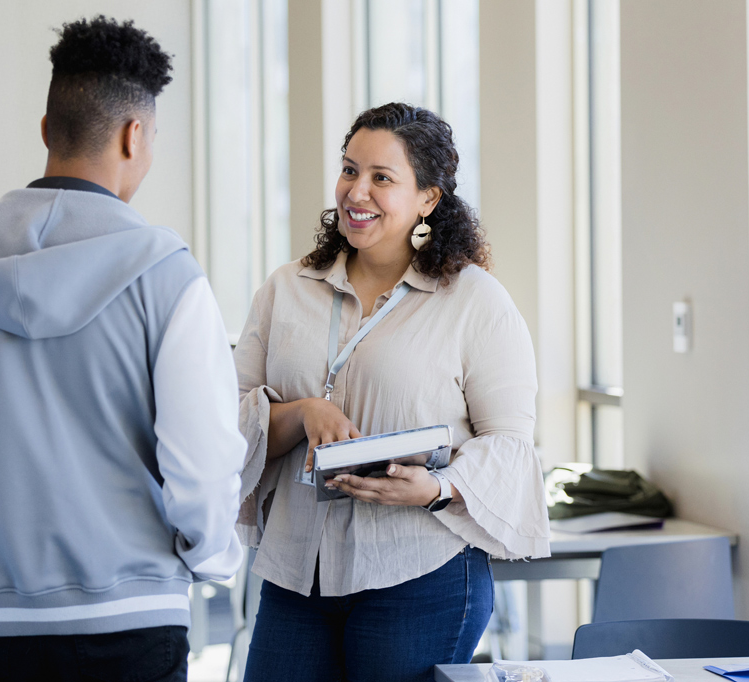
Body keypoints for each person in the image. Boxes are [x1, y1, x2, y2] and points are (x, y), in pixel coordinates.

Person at [0, 16, 245, 681]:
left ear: (47, 129)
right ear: (134, 136)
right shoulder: (169, 275)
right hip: (132, 616)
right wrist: (210, 559)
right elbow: (200, 460)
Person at [234, 102, 551, 682]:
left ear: (428, 199)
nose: (357, 192)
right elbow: (227, 424)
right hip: (297, 573)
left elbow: (510, 442)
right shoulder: (285, 289)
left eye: (382, 178)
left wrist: (437, 488)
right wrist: (302, 413)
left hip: (420, 574)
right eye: (350, 170)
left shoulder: (474, 301)